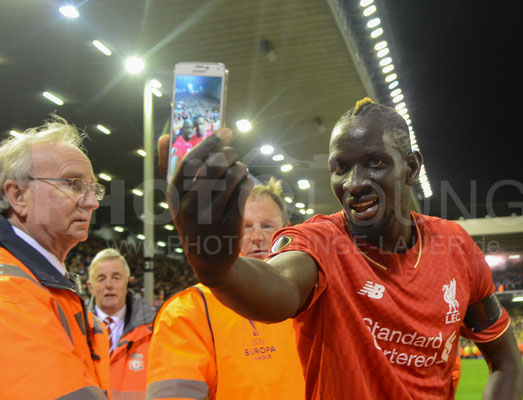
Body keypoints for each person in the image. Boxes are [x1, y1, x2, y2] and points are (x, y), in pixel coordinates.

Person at [160, 97, 523, 399]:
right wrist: (217, 266)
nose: (354, 183)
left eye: (374, 163)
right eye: (340, 168)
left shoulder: (454, 246)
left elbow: (505, 357)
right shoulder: (321, 240)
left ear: (411, 168)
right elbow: (280, 287)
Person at [146, 178, 304, 400]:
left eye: (267, 226)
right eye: (245, 227)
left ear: (286, 229)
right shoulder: (188, 311)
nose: (257, 237)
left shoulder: (313, 297)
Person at [0, 116, 110, 399]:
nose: (92, 202)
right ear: (18, 195)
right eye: (73, 184)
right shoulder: (9, 291)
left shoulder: (42, 281)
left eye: (93, 188)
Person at [87, 248, 155, 400]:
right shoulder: (74, 330)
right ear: (90, 287)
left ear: (128, 283)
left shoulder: (154, 331)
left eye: (116, 278)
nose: (109, 285)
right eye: (101, 278)